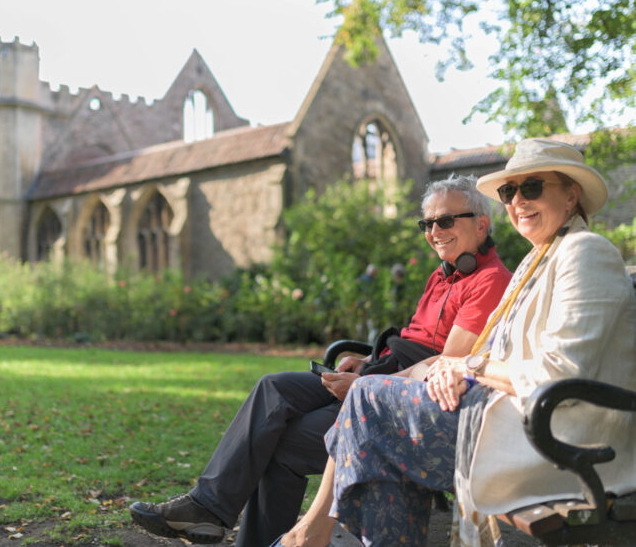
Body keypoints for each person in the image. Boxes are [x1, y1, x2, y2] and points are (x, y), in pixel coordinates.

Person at [274, 138, 636, 547]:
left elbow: (559, 373)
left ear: (572, 194)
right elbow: (492, 353)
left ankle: (305, 536)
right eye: (508, 191)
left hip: (563, 443)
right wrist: (448, 368)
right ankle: (307, 536)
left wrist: (469, 367)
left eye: (532, 187)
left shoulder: (585, 252)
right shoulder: (538, 262)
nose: (517, 200)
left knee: (367, 405)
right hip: (515, 420)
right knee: (373, 420)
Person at [129, 174, 512, 546]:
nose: (433, 231)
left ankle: (219, 518)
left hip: (403, 401)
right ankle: (207, 507)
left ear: (481, 225)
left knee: (279, 444)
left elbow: (447, 364)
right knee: (272, 387)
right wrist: (364, 365)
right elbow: (414, 342)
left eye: (445, 221)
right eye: (426, 223)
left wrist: (365, 386)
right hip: (387, 372)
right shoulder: (442, 275)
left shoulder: (489, 280)